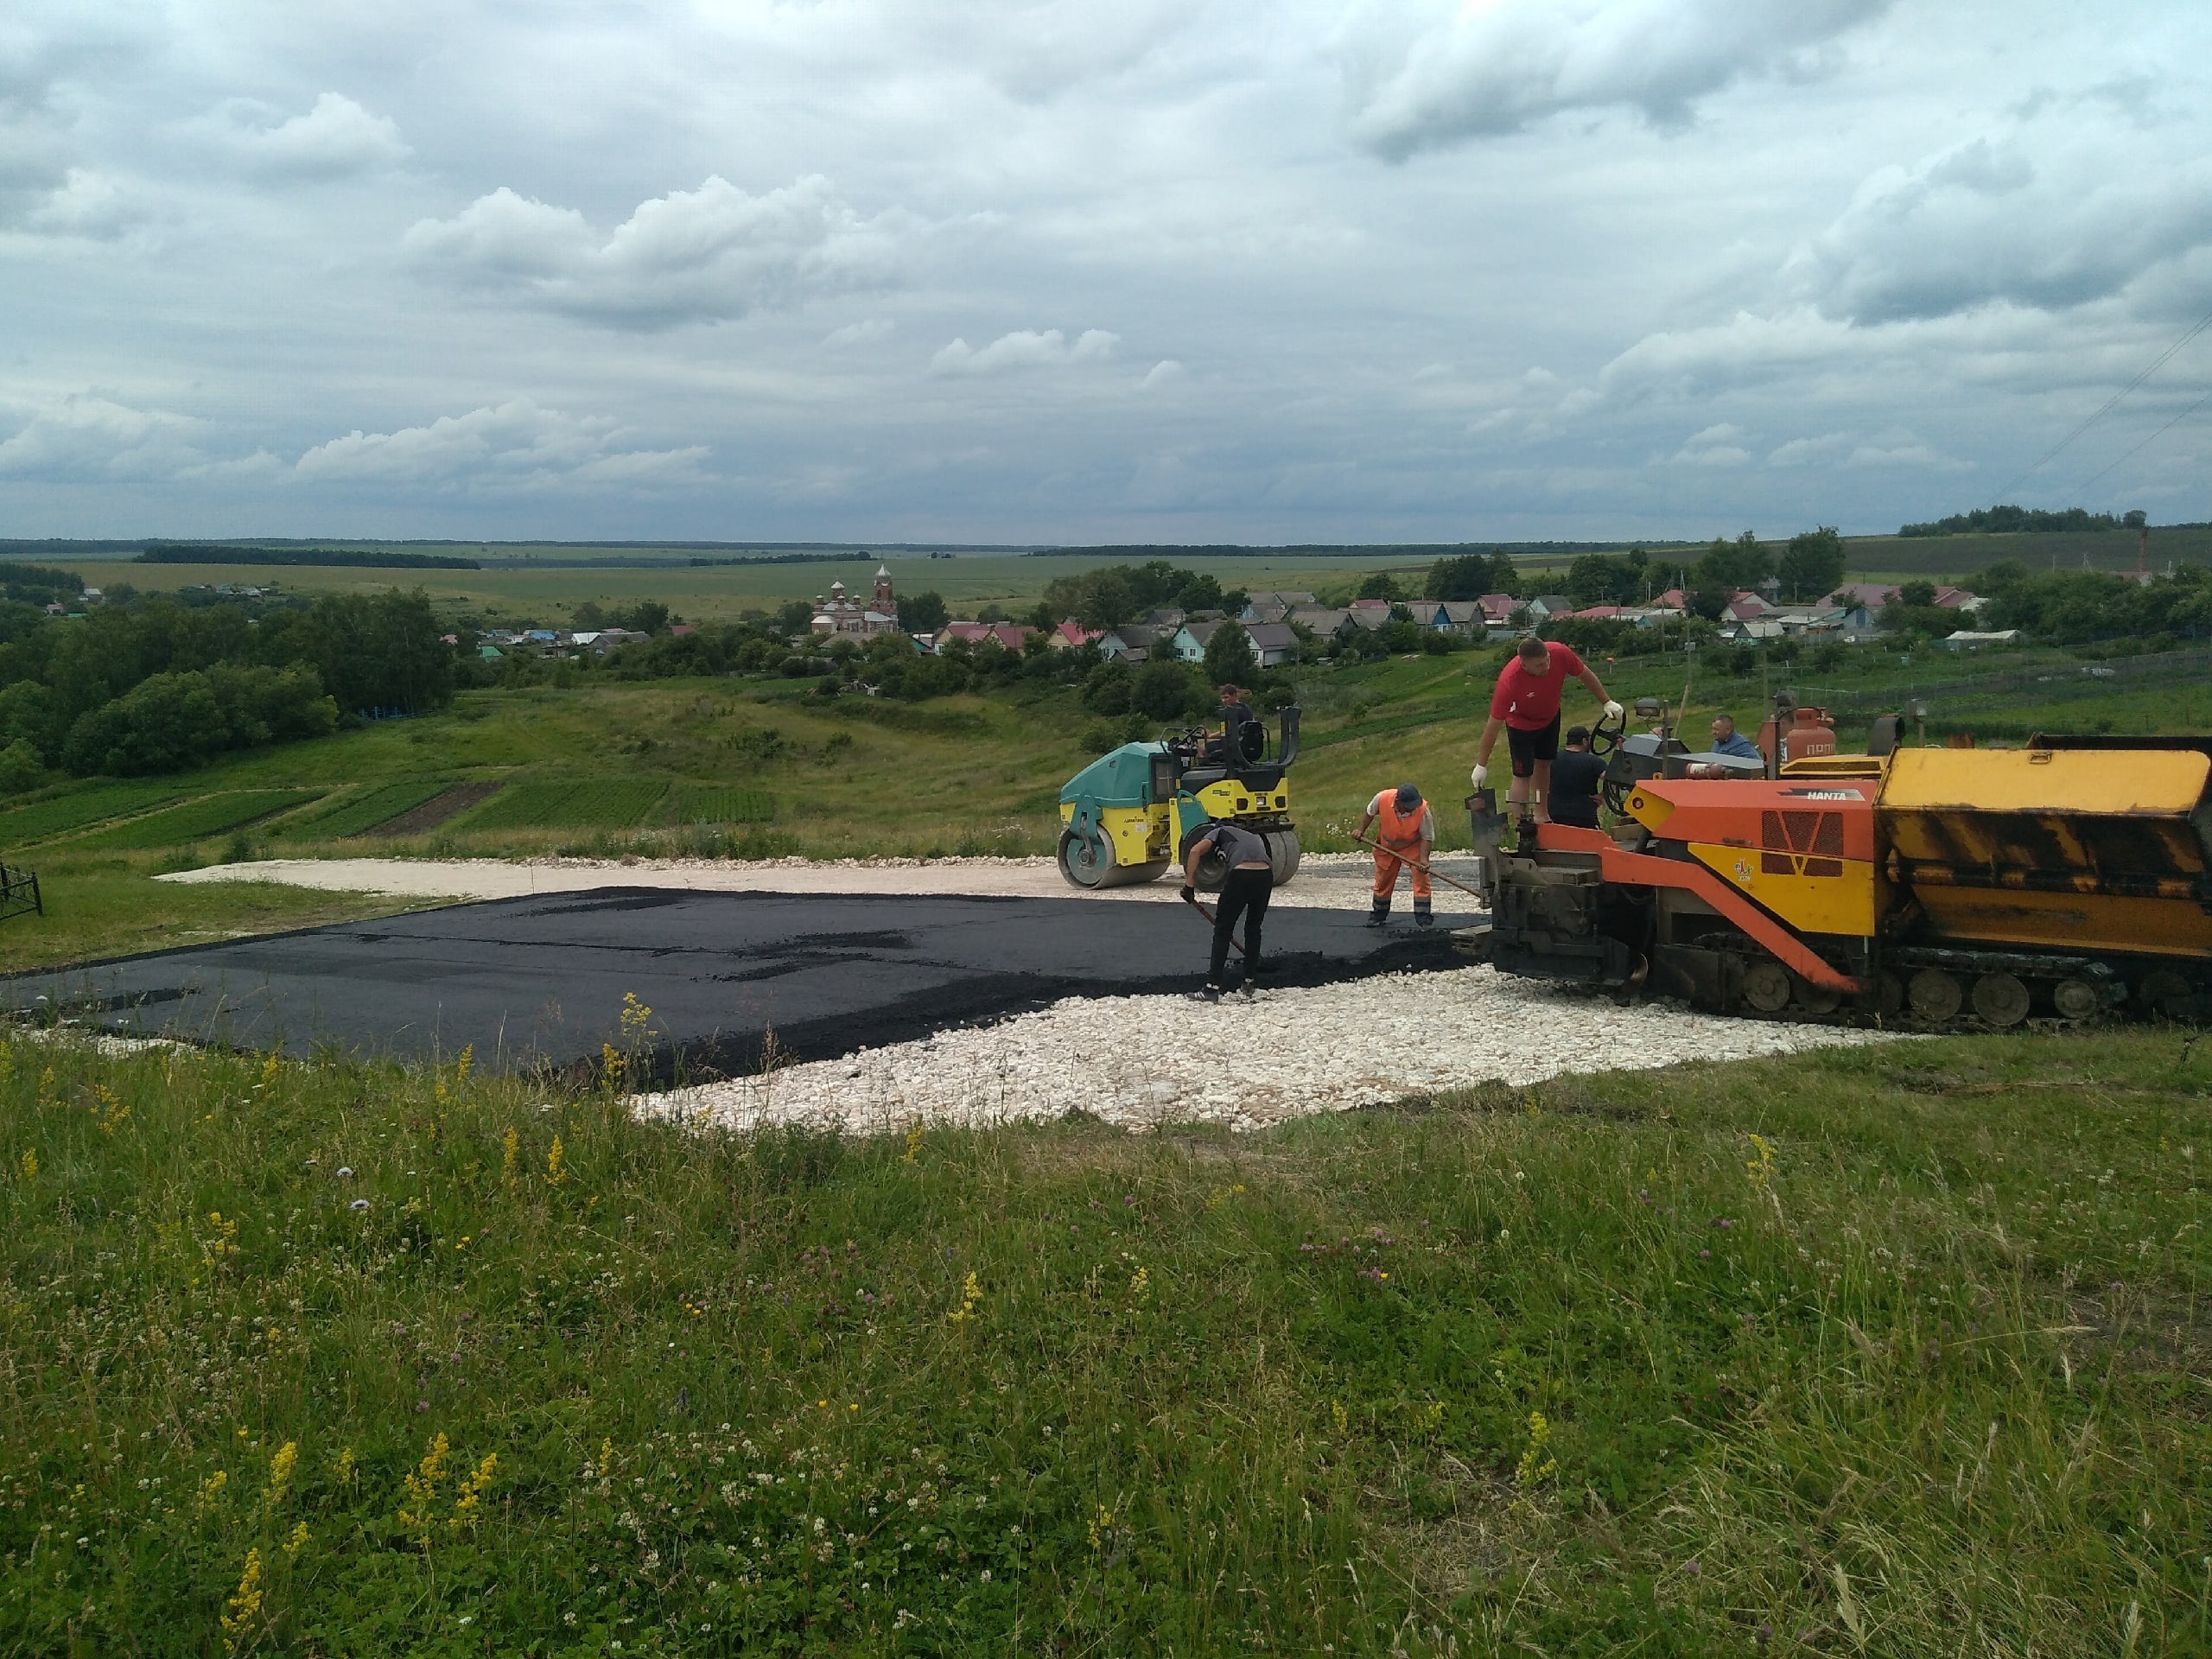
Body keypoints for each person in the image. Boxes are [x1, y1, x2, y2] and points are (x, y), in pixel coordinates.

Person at [1471, 636, 1623, 826]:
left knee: (1544, 765)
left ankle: (1542, 816)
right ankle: (1522, 824)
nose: (1547, 667)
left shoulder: (1560, 653)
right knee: (1522, 774)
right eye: (1540, 665)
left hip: (1549, 717)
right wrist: (1481, 765)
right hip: (1521, 725)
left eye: (1547, 660)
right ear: (1524, 666)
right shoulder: (1509, 681)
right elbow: (1493, 725)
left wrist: (1606, 701)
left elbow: (1584, 674)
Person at [1181, 817, 1274, 1000]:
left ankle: (1212, 988)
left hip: (1241, 874)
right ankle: (1249, 981)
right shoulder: (1249, 836)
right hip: (1265, 876)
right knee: (1253, 927)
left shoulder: (1220, 832)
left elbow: (1195, 851)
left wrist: (1189, 886)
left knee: (1223, 930)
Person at [1356, 782, 1435, 927]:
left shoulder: (1422, 810)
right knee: (1383, 881)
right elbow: (1369, 813)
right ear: (1398, 802)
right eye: (1409, 806)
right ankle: (1378, 915)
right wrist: (1360, 830)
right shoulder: (1382, 798)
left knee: (1421, 877)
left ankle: (1423, 917)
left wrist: (1423, 859)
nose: (1412, 808)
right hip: (1387, 847)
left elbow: (1427, 837)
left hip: (1412, 847)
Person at [1547, 726, 1606, 830]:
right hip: (1583, 815)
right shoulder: (1593, 761)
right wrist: (1602, 795)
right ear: (1584, 741)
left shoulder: (1552, 759)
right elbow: (1613, 780)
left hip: (1554, 814)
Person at [1687, 714, 1765, 779]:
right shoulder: (1718, 742)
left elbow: (1757, 765)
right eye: (1713, 729)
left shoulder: (1741, 744)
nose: (1713, 732)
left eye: (1716, 729)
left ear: (1727, 730)